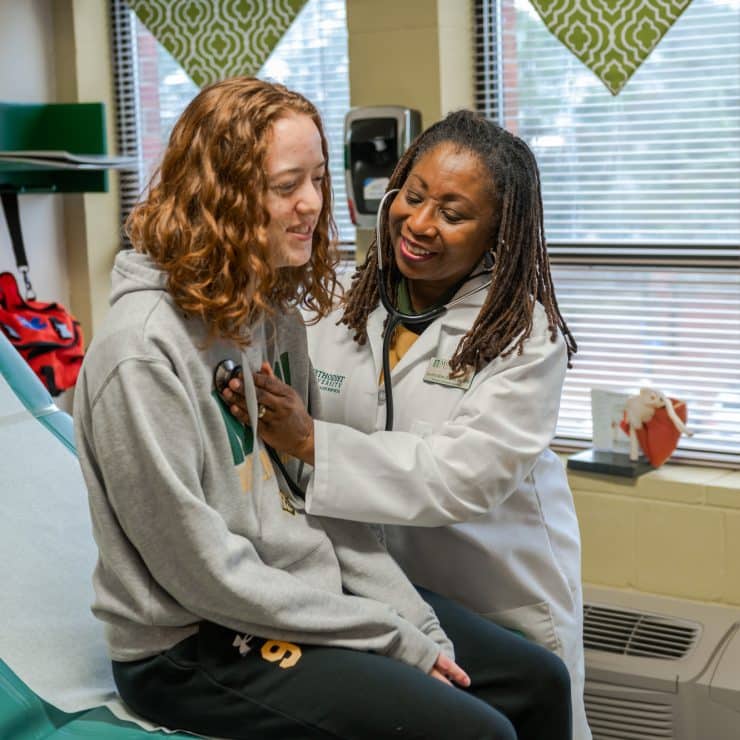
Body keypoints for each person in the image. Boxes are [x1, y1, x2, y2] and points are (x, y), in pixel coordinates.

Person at [73, 79, 572, 740]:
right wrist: (391, 635)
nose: (312, 204)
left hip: (298, 587)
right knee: (477, 733)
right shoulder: (141, 352)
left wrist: (410, 621)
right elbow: (201, 572)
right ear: (218, 192)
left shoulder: (272, 317)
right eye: (287, 186)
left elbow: (320, 500)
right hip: (193, 642)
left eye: (317, 179)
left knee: (539, 683)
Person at [222, 109, 590, 739]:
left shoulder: (522, 338)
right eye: (412, 196)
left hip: (493, 594)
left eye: (452, 213)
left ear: (497, 231)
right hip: (377, 597)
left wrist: (310, 439)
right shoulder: (334, 304)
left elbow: (460, 479)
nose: (419, 224)